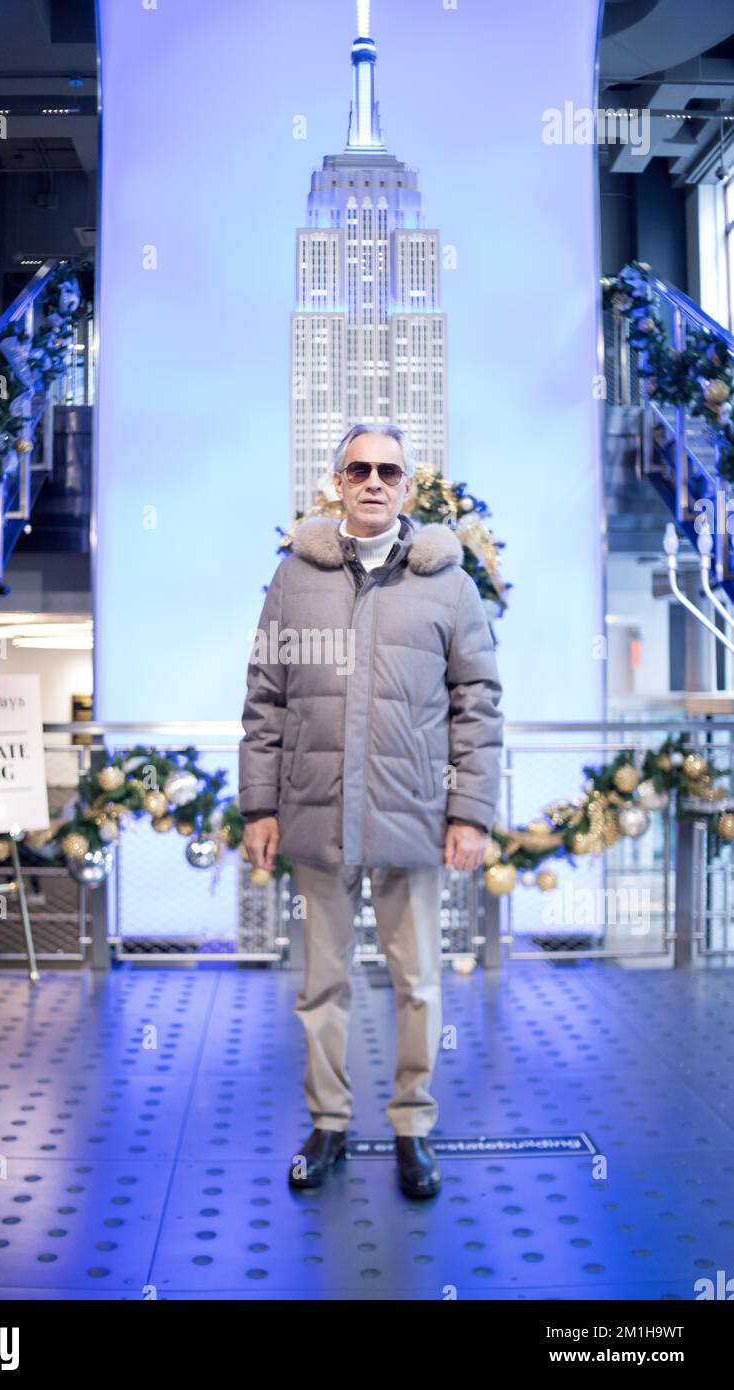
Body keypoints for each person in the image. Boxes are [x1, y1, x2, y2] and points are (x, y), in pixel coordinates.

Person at [239, 423, 504, 1198]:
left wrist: (471, 813)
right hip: (316, 814)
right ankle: (328, 1123)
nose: (374, 480)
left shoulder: (449, 584)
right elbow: (265, 699)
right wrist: (260, 805)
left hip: (412, 815)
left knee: (418, 981)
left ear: (407, 487)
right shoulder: (297, 578)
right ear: (338, 481)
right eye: (359, 468)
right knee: (322, 982)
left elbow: (477, 705)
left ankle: (412, 1128)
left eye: (389, 469)